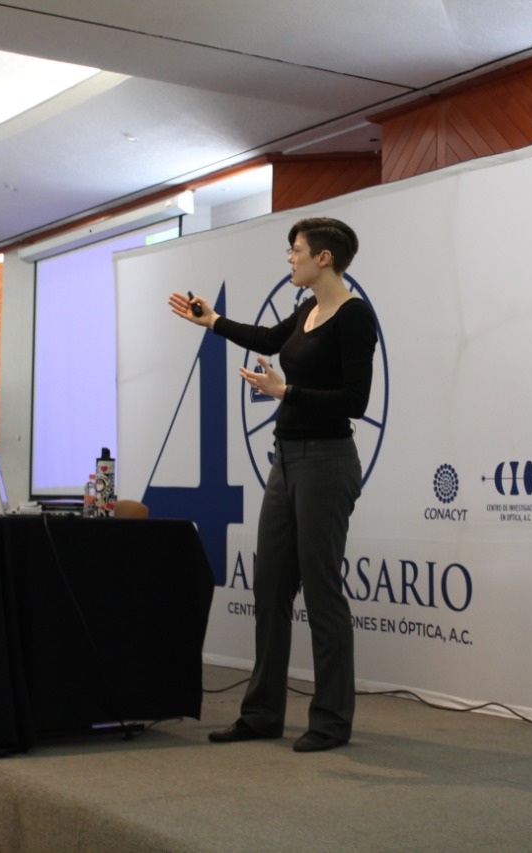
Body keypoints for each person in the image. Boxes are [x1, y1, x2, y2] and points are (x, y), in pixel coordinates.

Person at [168, 217, 377, 752]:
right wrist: (213, 321)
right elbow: (266, 339)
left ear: (324, 258)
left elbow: (355, 401)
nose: (289, 258)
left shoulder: (355, 316)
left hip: (327, 461)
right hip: (286, 460)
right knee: (271, 588)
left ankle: (331, 721)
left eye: (296, 250)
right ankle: (262, 715)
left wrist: (286, 394)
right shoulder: (307, 309)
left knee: (322, 592)